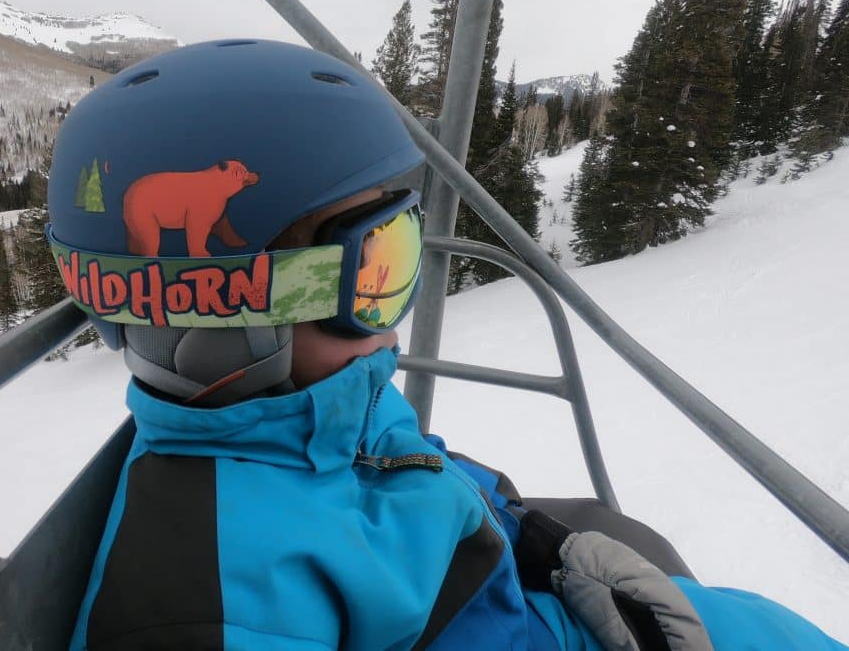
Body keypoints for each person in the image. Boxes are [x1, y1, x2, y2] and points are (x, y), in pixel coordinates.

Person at [46, 39, 847, 650]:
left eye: (402, 255)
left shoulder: (320, 400)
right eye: (375, 270)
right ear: (222, 307)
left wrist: (540, 544)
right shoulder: (213, 598)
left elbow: (417, 474)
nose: (393, 320)